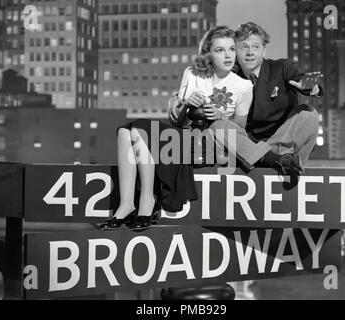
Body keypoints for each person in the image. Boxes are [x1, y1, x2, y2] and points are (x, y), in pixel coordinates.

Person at [99, 26, 254, 231]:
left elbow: (240, 130)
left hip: (211, 145)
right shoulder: (192, 74)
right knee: (125, 131)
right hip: (182, 137)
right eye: (220, 50)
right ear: (208, 53)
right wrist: (187, 103)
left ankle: (147, 201)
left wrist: (220, 116)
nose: (228, 55)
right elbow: (177, 123)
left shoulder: (243, 86)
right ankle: (126, 204)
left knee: (140, 131)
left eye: (231, 49)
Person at [169, 22, 322, 176]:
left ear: (264, 50)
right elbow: (198, 84)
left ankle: (289, 165)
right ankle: (274, 160)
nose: (250, 52)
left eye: (255, 47)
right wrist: (177, 100)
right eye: (243, 47)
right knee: (218, 126)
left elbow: (303, 80)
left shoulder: (282, 67)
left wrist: (310, 87)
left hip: (281, 142)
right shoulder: (227, 72)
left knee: (309, 114)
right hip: (245, 145)